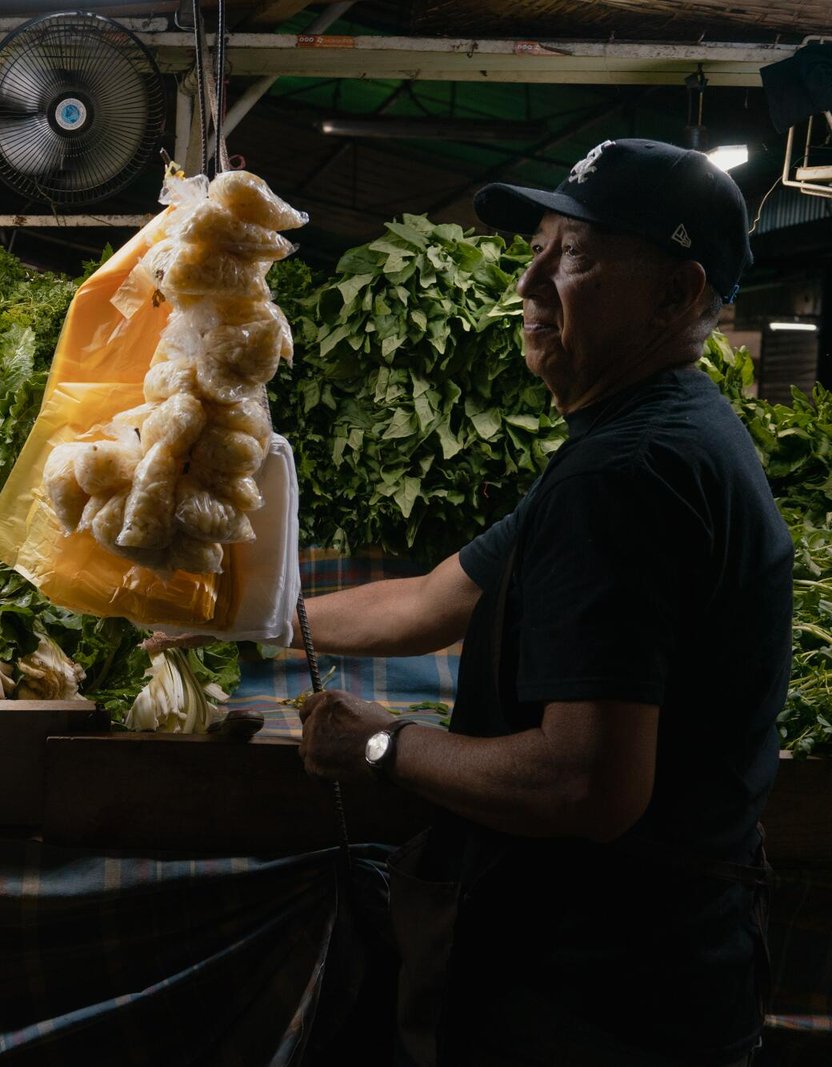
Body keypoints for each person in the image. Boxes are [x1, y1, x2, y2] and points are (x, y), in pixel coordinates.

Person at [293, 139, 790, 1066]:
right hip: (659, 977)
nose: (528, 280)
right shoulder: (657, 430)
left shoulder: (630, 474)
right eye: (539, 248)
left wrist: (377, 742)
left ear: (678, 295)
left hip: (605, 999)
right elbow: (438, 598)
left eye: (574, 256)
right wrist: (252, 615)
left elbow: (587, 783)